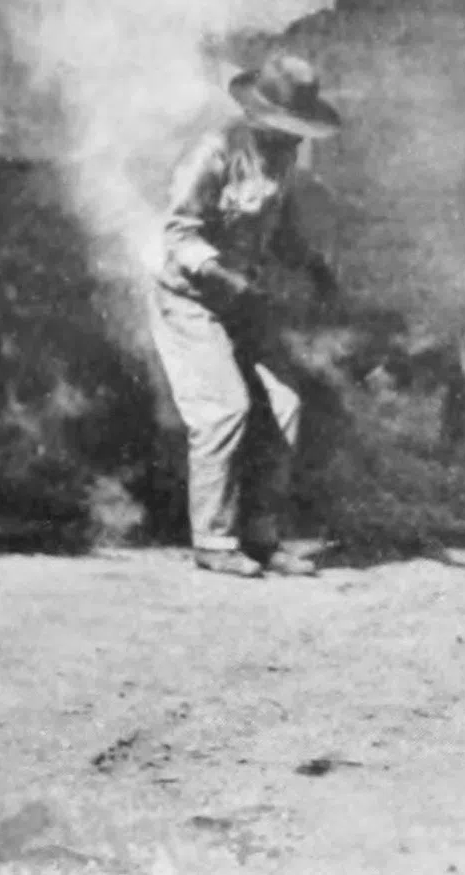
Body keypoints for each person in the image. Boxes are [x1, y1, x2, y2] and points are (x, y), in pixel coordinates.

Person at [152, 52, 341, 579]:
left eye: (298, 132)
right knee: (223, 409)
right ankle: (213, 542)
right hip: (189, 298)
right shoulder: (213, 154)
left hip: (242, 300)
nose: (293, 141)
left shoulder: (281, 160)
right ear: (258, 119)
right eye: (283, 130)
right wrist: (226, 279)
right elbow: (178, 237)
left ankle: (261, 537)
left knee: (285, 403)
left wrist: (312, 267)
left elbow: (274, 231)